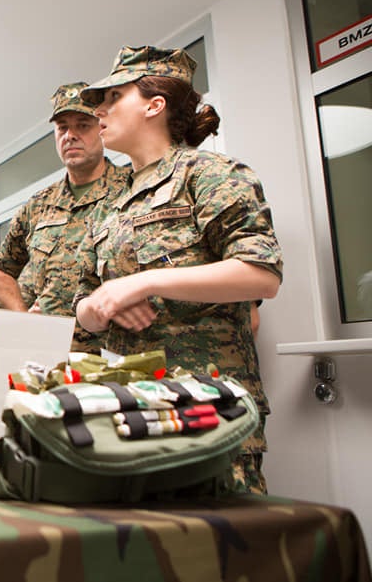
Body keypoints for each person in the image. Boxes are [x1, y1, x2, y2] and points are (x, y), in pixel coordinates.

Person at [72, 45, 283, 493]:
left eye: (113, 98)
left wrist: (142, 281)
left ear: (154, 104)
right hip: (128, 411)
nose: (100, 111)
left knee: (216, 555)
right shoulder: (111, 204)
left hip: (206, 410)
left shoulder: (209, 174)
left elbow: (260, 271)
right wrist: (97, 308)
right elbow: (87, 297)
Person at [0, 82, 130, 351]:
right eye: (62, 128)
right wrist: (22, 319)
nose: (70, 135)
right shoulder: (38, 206)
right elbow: (2, 270)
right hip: (53, 356)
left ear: (101, 128)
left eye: (83, 125)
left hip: (118, 353)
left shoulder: (132, 188)